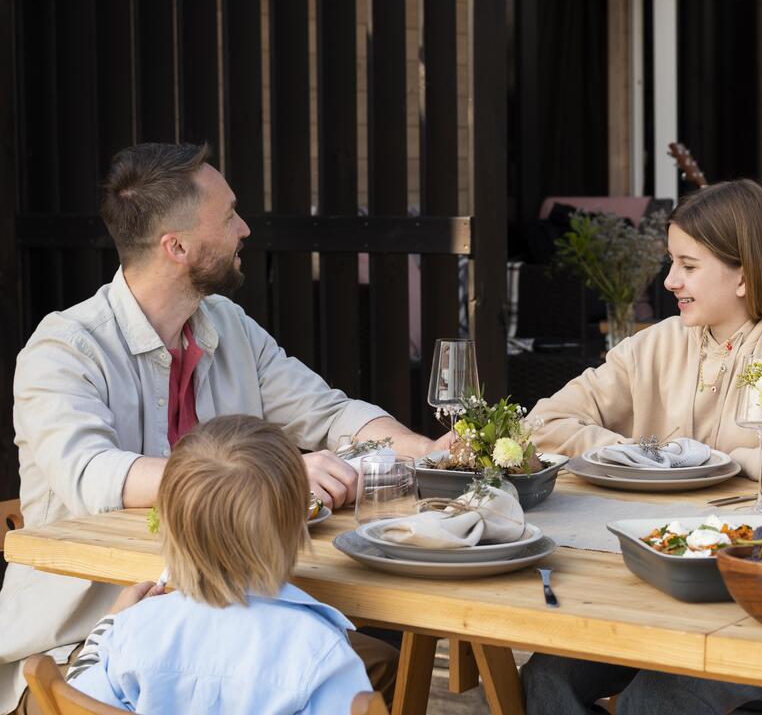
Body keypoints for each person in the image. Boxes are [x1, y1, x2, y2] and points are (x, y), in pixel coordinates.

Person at [1, 143, 446, 714]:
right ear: (177, 246)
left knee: (377, 665)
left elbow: (327, 412)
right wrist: (267, 477)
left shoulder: (226, 324)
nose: (244, 229)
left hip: (224, 614)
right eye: (229, 214)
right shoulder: (64, 348)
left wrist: (424, 450)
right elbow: (91, 474)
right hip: (90, 638)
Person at [522, 179, 762, 715]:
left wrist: (726, 461)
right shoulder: (660, 342)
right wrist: (650, 454)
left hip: (755, 595)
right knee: (546, 678)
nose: (669, 280)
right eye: (672, 262)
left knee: (655, 702)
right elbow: (545, 422)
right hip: (657, 579)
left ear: (744, 274)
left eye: (688, 265)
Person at [65, 415, 372, 714]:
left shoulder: (132, 632)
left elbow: (76, 700)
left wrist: (110, 622)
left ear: (169, 527)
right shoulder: (321, 652)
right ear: (298, 526)